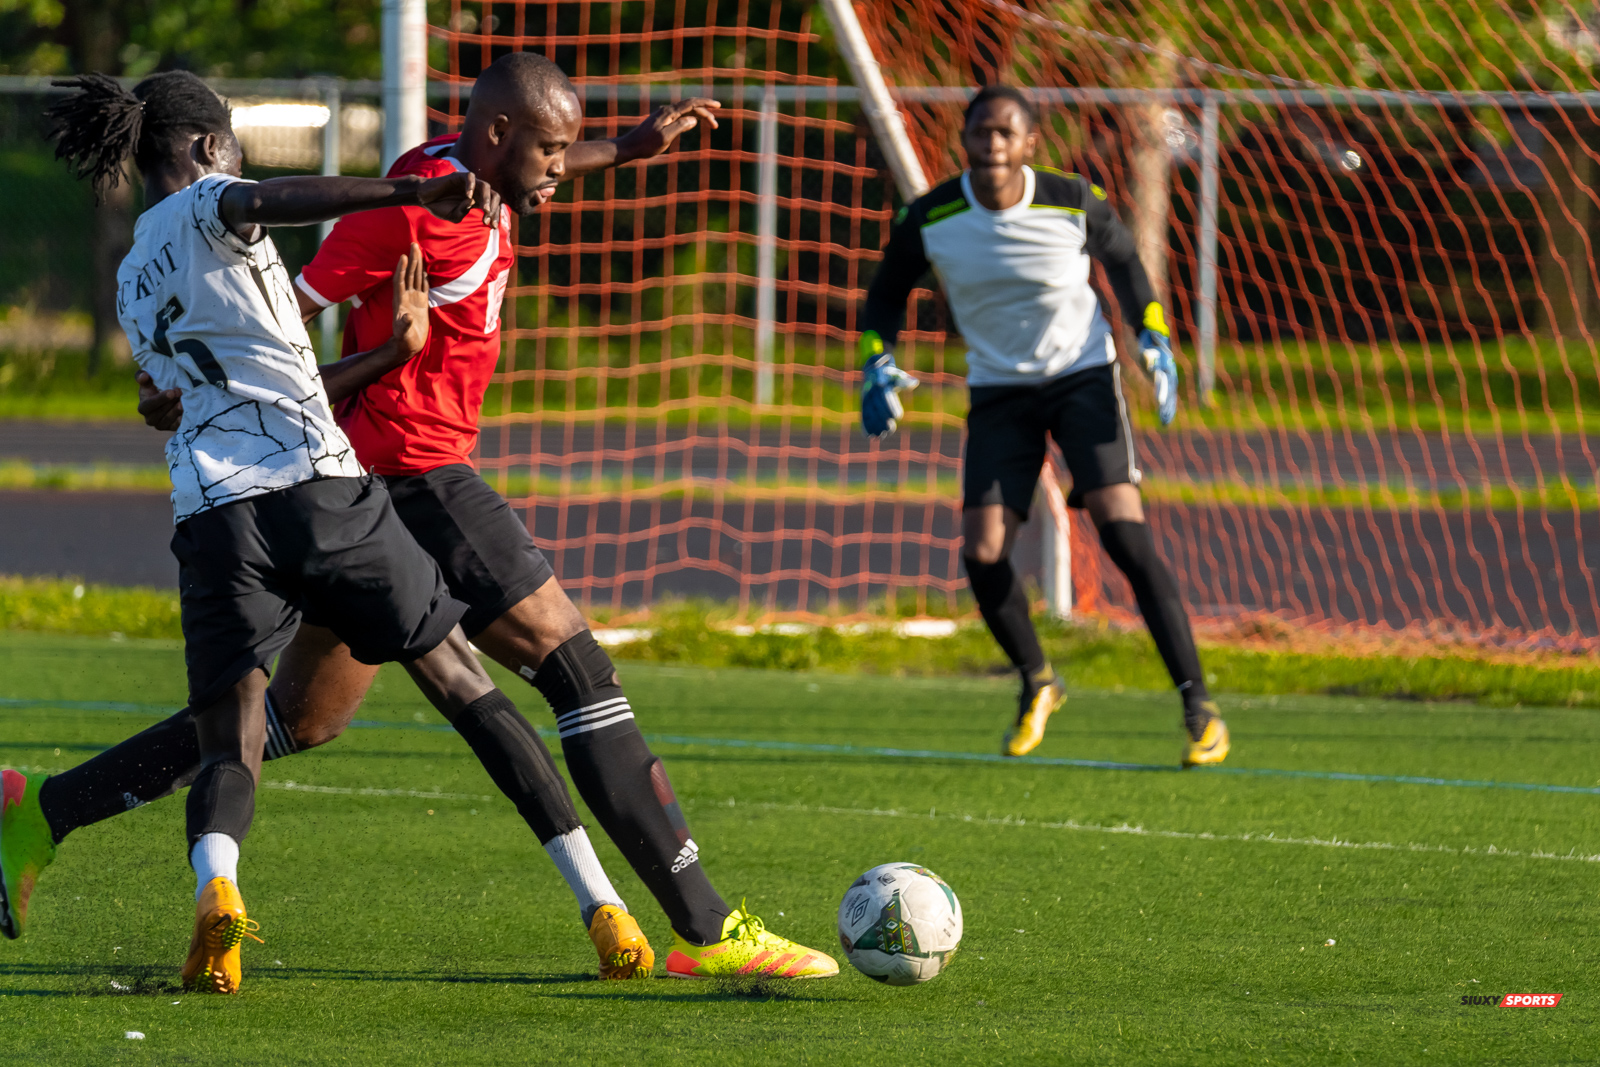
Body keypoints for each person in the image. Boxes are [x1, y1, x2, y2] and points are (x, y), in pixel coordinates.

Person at [5, 54, 837, 983]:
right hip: (406, 473)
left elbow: (526, 161)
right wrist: (208, 382)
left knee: (296, 718)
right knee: (573, 666)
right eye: (553, 151)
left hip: (323, 486)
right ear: (494, 140)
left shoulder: (464, 168)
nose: (561, 169)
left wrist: (626, 150)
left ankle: (42, 809)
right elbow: (284, 314)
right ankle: (707, 927)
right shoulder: (407, 202)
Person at [0, 70, 541, 995]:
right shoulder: (251, 210)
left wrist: (383, 356)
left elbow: (259, 383)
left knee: (282, 721)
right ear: (213, 149)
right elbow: (274, 201)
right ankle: (642, 904)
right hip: (355, 485)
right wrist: (409, 199)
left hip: (268, 490)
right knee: (533, 661)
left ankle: (44, 812)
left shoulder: (138, 271)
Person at [856, 84, 1229, 768]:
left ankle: (1198, 704)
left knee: (1122, 529)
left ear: (1030, 143)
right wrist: (875, 358)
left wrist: (1154, 336)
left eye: (1006, 133)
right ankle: (1039, 679)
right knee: (984, 549)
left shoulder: (1071, 198)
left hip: (1083, 378)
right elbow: (885, 292)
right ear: (964, 141)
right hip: (1001, 391)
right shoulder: (931, 215)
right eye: (980, 133)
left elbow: (1125, 263)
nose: (992, 145)